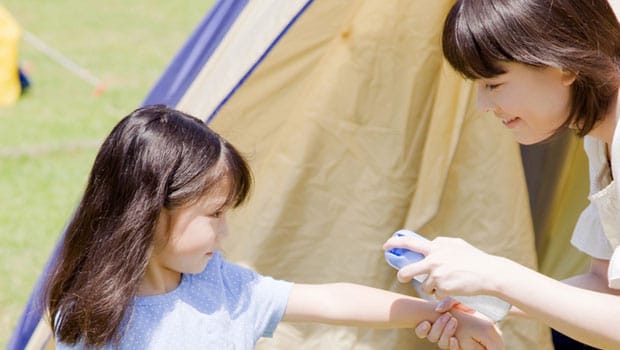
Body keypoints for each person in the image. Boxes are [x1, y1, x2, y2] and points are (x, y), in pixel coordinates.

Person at [44, 105, 501, 349]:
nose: (224, 234)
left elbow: (332, 299)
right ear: (151, 209)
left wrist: (439, 314)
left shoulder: (223, 287)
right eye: (215, 214)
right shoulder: (92, 318)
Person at [385, 0, 620, 349]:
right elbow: (605, 286)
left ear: (565, 64)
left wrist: (496, 275)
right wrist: (484, 296)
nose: (482, 106)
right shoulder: (598, 138)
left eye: (493, 84)